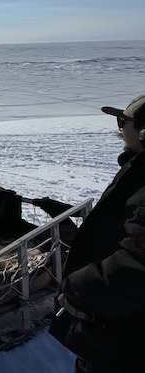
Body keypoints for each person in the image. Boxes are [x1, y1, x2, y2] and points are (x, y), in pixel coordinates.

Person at [49, 94, 145, 373]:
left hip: (125, 339)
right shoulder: (137, 169)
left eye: (123, 120)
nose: (119, 127)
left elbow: (138, 263)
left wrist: (80, 289)